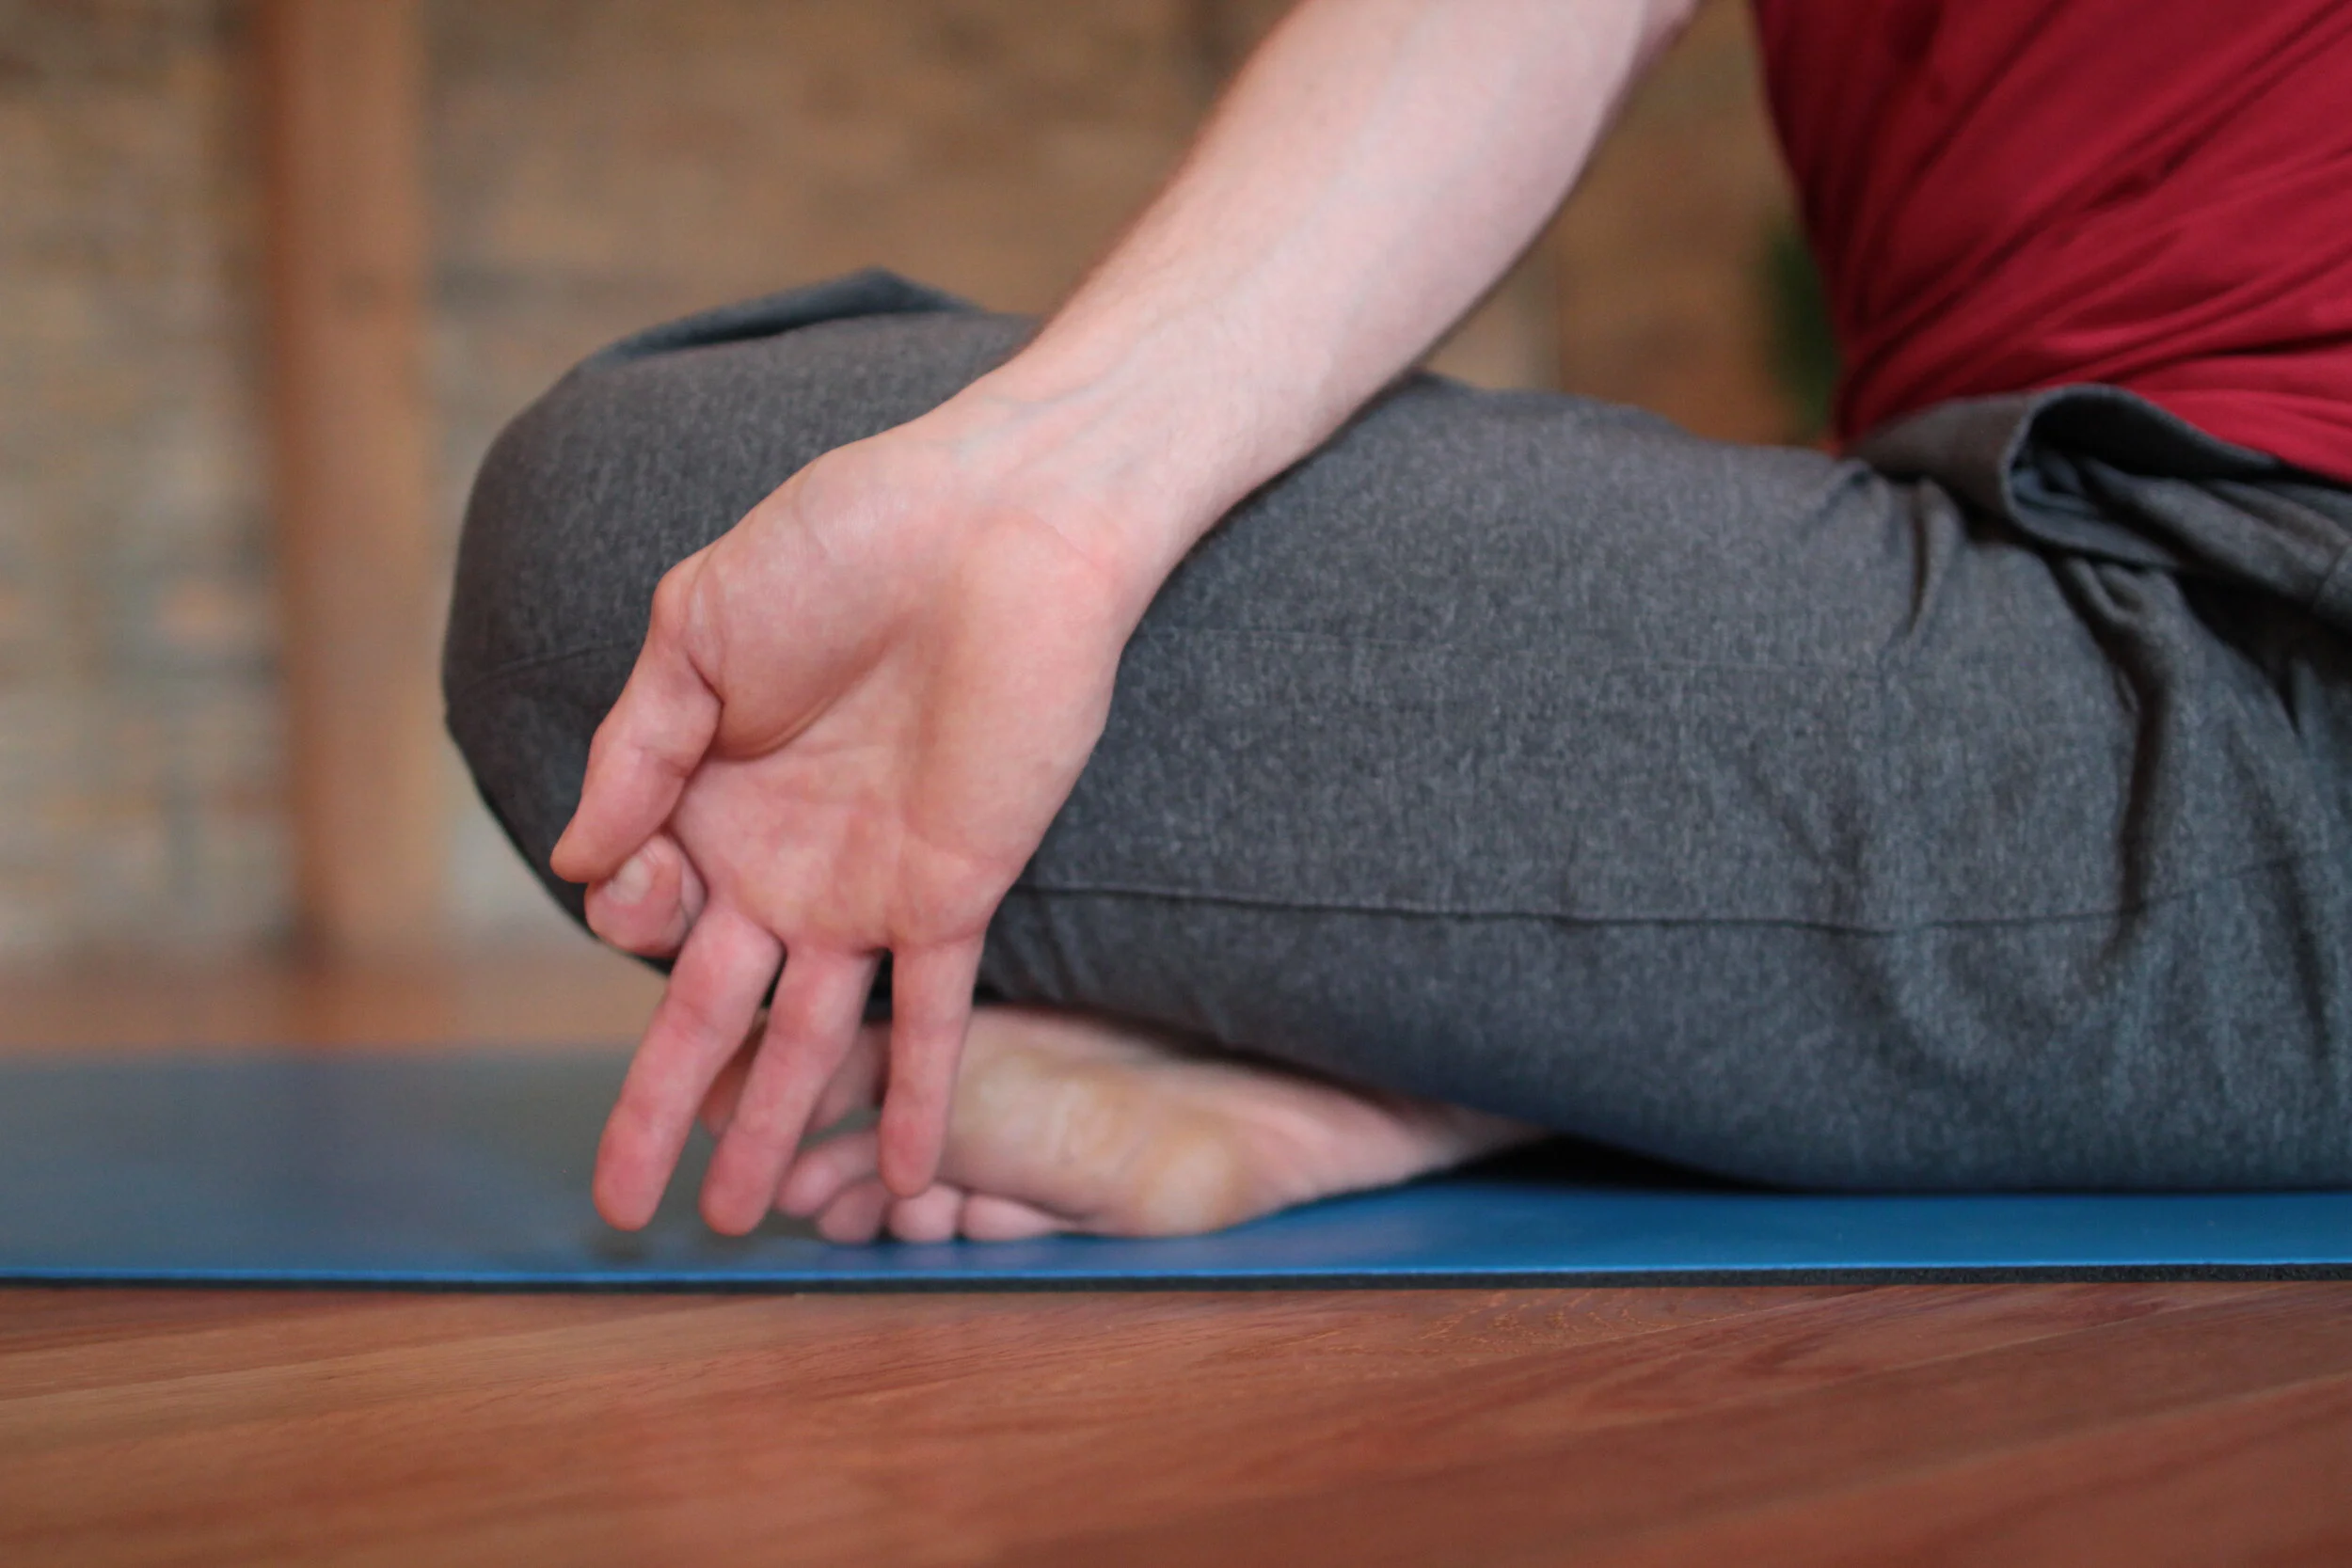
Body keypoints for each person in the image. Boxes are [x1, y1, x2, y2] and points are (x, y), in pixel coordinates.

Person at [444, 0, 2352, 1244]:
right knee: (680, 596)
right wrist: (1059, 497)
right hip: (2012, 574)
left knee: (614, 544)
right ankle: (1535, 1058)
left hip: (2281, 654)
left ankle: (1489, 1068)